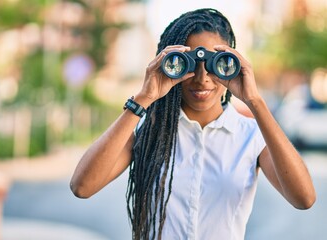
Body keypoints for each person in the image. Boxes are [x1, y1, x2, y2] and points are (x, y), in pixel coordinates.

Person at [70, 8, 316, 240]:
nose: (202, 78)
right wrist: (144, 98)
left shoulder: (250, 135)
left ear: (232, 63)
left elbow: (303, 198)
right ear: (168, 64)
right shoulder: (148, 129)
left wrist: (254, 100)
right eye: (186, 64)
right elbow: (83, 186)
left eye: (215, 64)